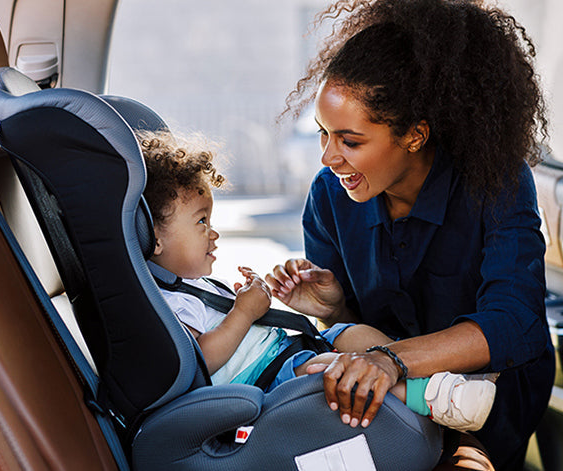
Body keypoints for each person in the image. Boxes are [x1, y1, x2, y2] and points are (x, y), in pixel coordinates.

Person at [266, 0, 555, 469]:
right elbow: (352, 331)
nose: (328, 158)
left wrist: (391, 360)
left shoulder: (496, 181)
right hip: (387, 399)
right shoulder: (329, 196)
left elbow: (515, 323)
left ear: (415, 135)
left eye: (350, 141)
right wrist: (334, 308)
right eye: (323, 134)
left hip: (484, 401)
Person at [140, 128, 496, 432]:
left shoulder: (194, 287)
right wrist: (243, 314)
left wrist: (244, 301)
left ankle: (434, 377)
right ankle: (432, 399)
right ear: (153, 236)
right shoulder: (164, 304)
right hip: (262, 381)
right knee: (326, 369)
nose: (213, 233)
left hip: (284, 351)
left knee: (349, 333)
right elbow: (199, 360)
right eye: (201, 222)